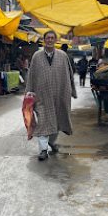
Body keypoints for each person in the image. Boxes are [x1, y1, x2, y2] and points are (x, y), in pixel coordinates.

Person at [25, 31, 77, 161]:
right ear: (44, 40)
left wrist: (72, 91)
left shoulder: (63, 56)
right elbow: (31, 75)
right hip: (42, 96)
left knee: (57, 121)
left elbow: (69, 74)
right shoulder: (37, 56)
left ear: (55, 40)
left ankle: (52, 142)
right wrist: (29, 93)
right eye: (47, 38)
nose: (49, 40)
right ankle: (43, 150)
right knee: (43, 122)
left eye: (52, 38)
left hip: (59, 95)